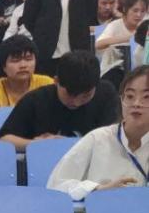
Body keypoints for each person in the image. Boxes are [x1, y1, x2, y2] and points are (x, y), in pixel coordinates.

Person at [47, 65, 149, 198]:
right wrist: (98, 189)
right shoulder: (98, 139)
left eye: (146, 97)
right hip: (100, 210)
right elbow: (56, 185)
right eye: (130, 96)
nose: (136, 103)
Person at [0, 51, 120, 151]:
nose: (76, 103)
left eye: (85, 96)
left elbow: (115, 137)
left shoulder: (106, 94)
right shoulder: (36, 100)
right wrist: (35, 144)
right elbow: (3, 140)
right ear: (56, 81)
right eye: (70, 95)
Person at [0, 35, 53, 109]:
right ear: (4, 66)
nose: (23, 65)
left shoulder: (46, 83)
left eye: (28, 59)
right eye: (15, 60)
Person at [95, 0, 148, 74]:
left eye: (142, 11)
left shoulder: (145, 26)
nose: (139, 15)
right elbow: (98, 44)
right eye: (135, 10)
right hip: (114, 71)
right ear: (125, 9)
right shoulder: (115, 25)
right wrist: (129, 37)